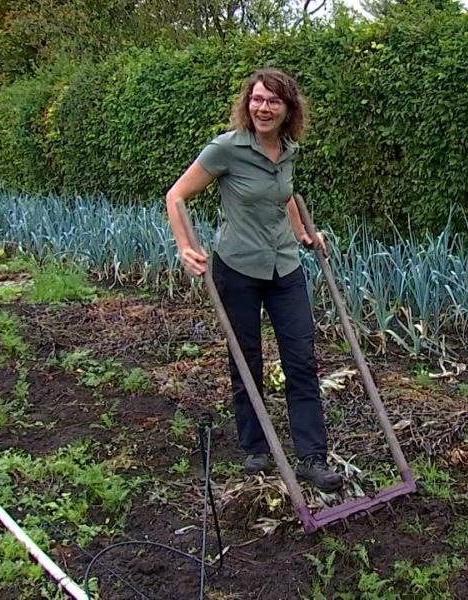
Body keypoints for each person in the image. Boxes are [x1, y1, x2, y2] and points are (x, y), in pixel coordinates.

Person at [164, 68, 343, 492]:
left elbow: (286, 197)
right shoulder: (226, 149)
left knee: (301, 358)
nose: (263, 108)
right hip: (238, 268)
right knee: (246, 361)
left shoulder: (288, 150)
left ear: (288, 110)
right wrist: (184, 246)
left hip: (285, 267)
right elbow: (176, 195)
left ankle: (312, 457)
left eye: (273, 102)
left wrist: (304, 233)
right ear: (248, 103)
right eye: (257, 99)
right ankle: (256, 447)